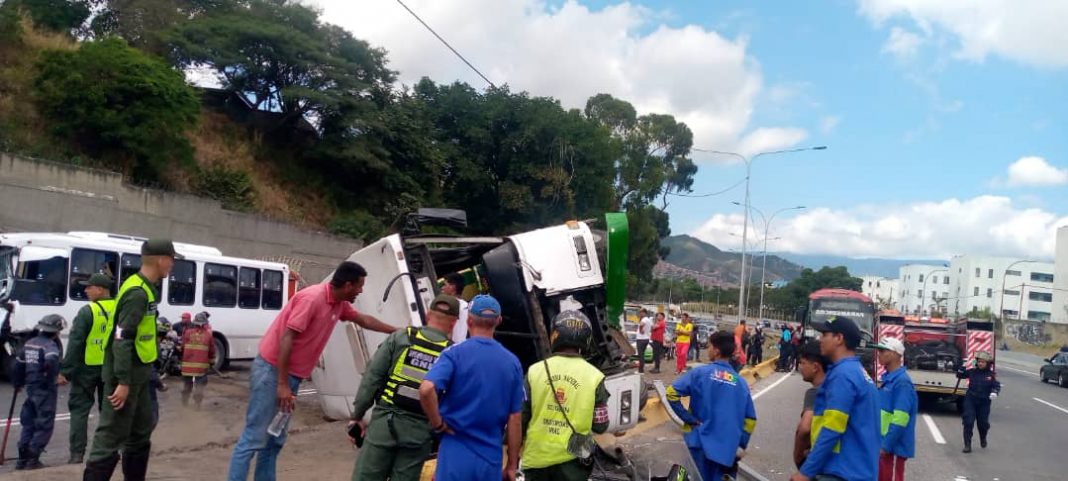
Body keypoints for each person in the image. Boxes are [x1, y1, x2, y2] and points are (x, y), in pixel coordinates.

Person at [227, 261, 398, 481]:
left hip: (291, 377)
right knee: (254, 438)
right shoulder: (313, 298)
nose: (361, 290)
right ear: (347, 285)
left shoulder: (338, 303)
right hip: (272, 372)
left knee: (274, 439)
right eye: (359, 286)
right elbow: (286, 338)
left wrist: (397, 331)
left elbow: (363, 320)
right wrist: (282, 384)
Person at [84, 238, 180, 481]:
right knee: (110, 437)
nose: (172, 265)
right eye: (171, 260)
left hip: (140, 375)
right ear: (162, 260)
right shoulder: (137, 292)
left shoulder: (144, 287)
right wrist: (123, 382)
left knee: (140, 433)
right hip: (125, 377)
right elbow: (121, 338)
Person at [349, 294, 459, 481]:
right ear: (454, 323)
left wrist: (357, 416)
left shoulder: (401, 338)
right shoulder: (453, 353)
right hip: (419, 433)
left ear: (427, 315)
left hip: (384, 425)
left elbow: (372, 379)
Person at [419, 294, 525, 481]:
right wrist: (512, 464)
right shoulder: (512, 362)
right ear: (498, 321)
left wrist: (438, 424)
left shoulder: (453, 354)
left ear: (468, 320)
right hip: (490, 458)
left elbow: (426, 389)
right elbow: (515, 418)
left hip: (454, 453)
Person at [521, 310, 610, 481]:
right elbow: (601, 426)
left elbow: (521, 417)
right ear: (587, 339)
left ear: (555, 334)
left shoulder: (535, 371)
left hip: (537, 462)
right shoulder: (595, 377)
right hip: (574, 466)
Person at [791, 316, 880, 481]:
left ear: (839, 338)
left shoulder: (843, 376)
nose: (820, 339)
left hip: (842, 472)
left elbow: (832, 428)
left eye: (825, 334)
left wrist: (806, 472)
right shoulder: (856, 372)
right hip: (855, 470)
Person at [666, 332, 757, 481]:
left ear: (716, 351)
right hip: (727, 453)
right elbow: (750, 420)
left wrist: (690, 419)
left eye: (709, 346)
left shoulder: (699, 373)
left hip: (698, 445)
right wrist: (740, 445)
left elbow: (671, 394)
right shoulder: (741, 384)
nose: (707, 349)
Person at [59, 273, 114, 465]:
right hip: (111, 369)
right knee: (108, 412)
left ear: (100, 289)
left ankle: (76, 455)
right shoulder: (118, 309)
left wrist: (65, 371)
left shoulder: (87, 311)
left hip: (87, 369)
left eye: (89, 287)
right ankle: (107, 452)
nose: (85, 290)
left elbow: (75, 343)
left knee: (79, 411)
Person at [13, 314, 65, 470]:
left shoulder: (29, 343)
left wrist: (17, 383)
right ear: (56, 331)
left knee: (28, 423)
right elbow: (51, 360)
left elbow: (18, 366)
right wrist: (53, 377)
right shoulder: (50, 346)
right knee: (44, 425)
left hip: (31, 389)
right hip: (45, 390)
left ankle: (22, 459)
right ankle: (32, 460)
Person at [873, 338, 916, 481]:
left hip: (892, 448)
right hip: (886, 445)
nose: (878, 354)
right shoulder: (890, 379)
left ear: (894, 354)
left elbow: (901, 418)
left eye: (882, 351)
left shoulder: (902, 382)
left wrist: (886, 446)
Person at [793, 341, 828, 469]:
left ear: (815, 367)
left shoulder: (815, 393)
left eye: (802, 363)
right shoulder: (835, 388)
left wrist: (798, 457)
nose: (800, 367)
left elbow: (805, 428)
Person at [957, 351, 1000, 453]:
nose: (980, 363)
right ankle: (967, 445)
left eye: (983, 362)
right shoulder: (972, 371)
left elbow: (996, 386)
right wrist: (962, 366)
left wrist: (995, 392)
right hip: (971, 399)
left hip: (984, 402)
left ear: (987, 364)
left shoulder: (991, 375)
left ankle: (983, 437)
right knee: (968, 421)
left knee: (983, 424)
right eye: (979, 361)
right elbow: (959, 375)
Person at [179, 311, 216, 410]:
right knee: (200, 385)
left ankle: (184, 403)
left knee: (187, 384)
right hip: (201, 367)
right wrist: (212, 361)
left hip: (187, 365)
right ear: (204, 323)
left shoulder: (187, 332)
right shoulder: (208, 335)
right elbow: (212, 351)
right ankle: (197, 405)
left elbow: (182, 346)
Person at [442, 273, 470, 344]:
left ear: (452, 287)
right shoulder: (466, 306)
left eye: (445, 285)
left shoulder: (451, 305)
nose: (442, 288)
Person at [636, 308, 652, 373]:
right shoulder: (648, 319)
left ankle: (641, 371)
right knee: (642, 355)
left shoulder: (644, 319)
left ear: (644, 313)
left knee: (641, 355)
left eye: (640, 313)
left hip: (641, 339)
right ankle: (641, 369)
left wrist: (640, 330)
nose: (639, 314)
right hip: (646, 338)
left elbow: (641, 325)